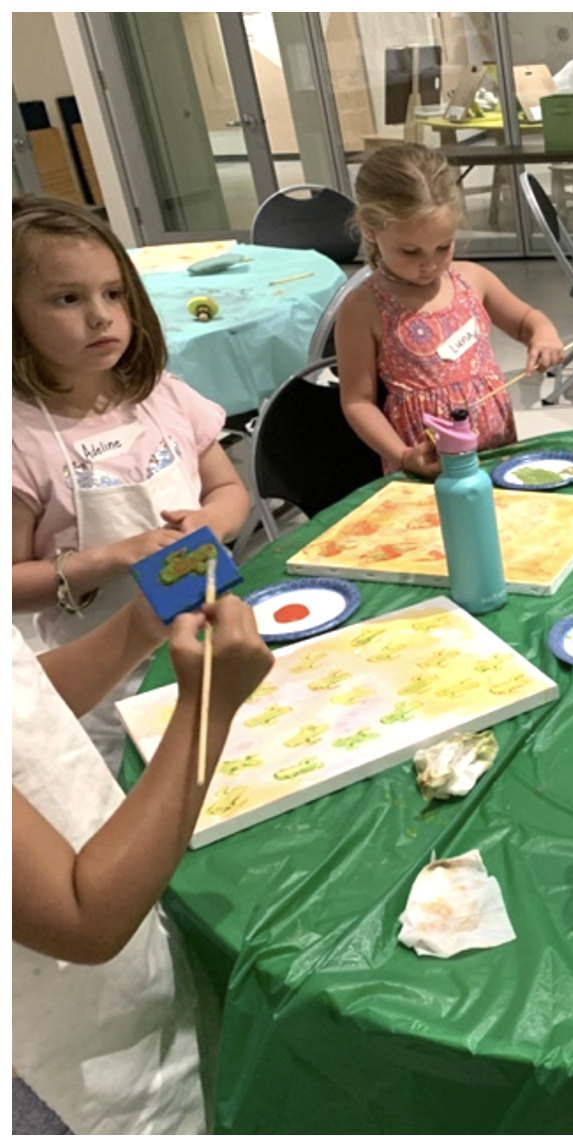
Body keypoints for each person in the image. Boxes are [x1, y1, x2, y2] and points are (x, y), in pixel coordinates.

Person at [13, 594, 275, 1134]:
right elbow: (83, 920)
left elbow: (19, 701)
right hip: (79, 1066)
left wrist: (133, 629)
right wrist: (208, 705)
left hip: (135, 964)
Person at [11, 195, 253, 766]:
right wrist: (114, 557)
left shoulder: (159, 395)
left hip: (205, 644)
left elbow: (229, 491)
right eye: (68, 298)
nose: (101, 316)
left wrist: (207, 522)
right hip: (101, 687)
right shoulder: (19, 439)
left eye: (113, 293)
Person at [335, 143, 566, 478]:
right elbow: (357, 402)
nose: (429, 264)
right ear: (370, 229)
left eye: (443, 247)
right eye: (410, 251)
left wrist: (543, 334)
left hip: (496, 450)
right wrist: (402, 456)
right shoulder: (364, 307)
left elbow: (527, 320)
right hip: (425, 464)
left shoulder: (472, 279)